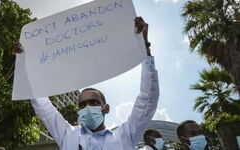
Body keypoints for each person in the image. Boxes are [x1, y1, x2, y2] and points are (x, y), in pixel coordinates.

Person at [14, 16, 159, 150]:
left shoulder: (124, 137)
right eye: (82, 105)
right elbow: (43, 107)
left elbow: (147, 102)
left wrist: (144, 47)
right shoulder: (67, 135)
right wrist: (24, 61)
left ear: (106, 108)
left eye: (93, 102)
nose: (87, 107)